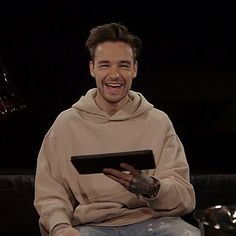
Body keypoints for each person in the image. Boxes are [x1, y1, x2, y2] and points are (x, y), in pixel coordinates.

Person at [34, 22, 200, 236]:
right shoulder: (66, 124)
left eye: (123, 65)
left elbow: (185, 197)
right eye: (105, 65)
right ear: (92, 68)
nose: (115, 74)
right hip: (90, 227)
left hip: (153, 223)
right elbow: (50, 193)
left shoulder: (158, 121)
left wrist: (151, 188)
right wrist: (60, 227)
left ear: (135, 69)